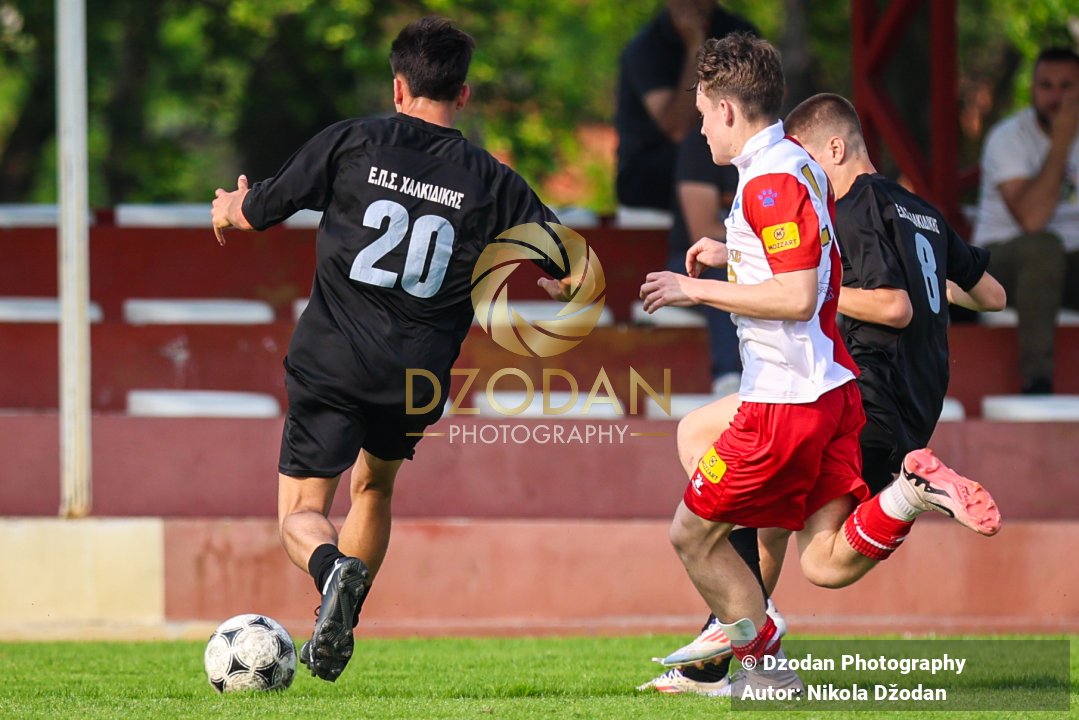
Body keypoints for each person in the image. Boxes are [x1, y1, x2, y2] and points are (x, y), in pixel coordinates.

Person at [638, 34, 1002, 696]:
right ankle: (900, 501)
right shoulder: (815, 175)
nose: (696, 129)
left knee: (694, 530)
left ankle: (741, 633)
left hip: (801, 396)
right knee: (821, 560)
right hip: (846, 391)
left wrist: (695, 287)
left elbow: (808, 293)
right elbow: (976, 292)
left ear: (725, 110)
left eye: (699, 115)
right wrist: (733, 255)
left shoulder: (783, 183)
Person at [211, 17, 568, 682]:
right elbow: (569, 264)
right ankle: (339, 615)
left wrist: (230, 207)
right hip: (416, 375)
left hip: (333, 360)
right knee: (373, 488)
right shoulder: (493, 181)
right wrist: (554, 275)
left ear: (398, 86)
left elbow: (261, 210)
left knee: (302, 513)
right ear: (462, 95)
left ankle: (330, 573)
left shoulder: (355, 139)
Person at [972, 47, 1079, 394]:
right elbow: (1033, 219)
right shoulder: (1008, 137)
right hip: (1001, 264)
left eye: (1067, 87)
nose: (1056, 96)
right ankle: (1037, 382)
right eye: (1046, 86)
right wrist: (1062, 141)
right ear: (1032, 88)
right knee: (1043, 246)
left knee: (1052, 252)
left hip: (1065, 266)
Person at [615, 0, 756, 215]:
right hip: (653, 198)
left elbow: (762, 107)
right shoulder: (645, 49)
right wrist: (695, 49)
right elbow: (677, 129)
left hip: (735, 188)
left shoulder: (741, 34)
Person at [670, 123, 743, 394]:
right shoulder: (702, 142)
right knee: (721, 270)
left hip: (755, 261)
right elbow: (702, 233)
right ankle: (729, 381)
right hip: (692, 262)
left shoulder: (783, 150)